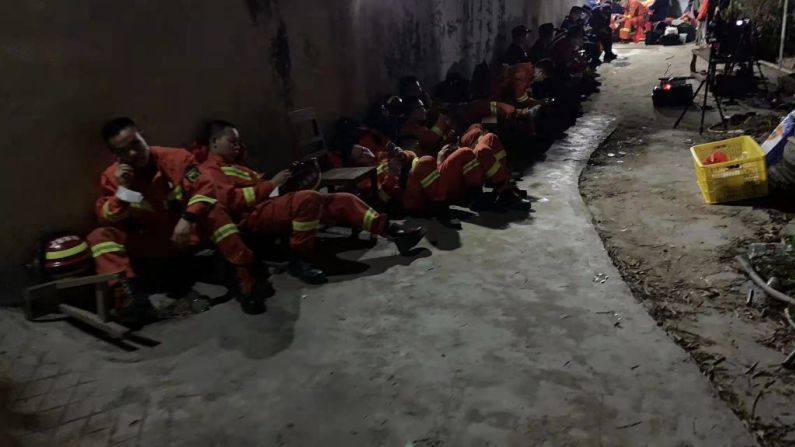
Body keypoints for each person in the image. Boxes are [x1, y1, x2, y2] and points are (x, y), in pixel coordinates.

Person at [87, 117, 270, 323]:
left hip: (186, 236)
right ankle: (129, 300)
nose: (132, 153)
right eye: (123, 151)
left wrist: (188, 217)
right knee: (99, 237)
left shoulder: (176, 159)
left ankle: (246, 278)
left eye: (135, 144)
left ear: (142, 136)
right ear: (115, 155)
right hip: (152, 245)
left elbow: (206, 188)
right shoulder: (113, 177)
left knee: (213, 211)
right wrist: (124, 191)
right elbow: (107, 216)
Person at [197, 120, 425, 284]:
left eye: (239, 142)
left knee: (344, 200)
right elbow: (232, 201)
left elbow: (259, 188)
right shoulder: (210, 172)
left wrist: (283, 183)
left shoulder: (235, 166)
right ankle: (301, 259)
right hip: (252, 215)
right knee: (308, 199)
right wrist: (270, 185)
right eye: (232, 141)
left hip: (270, 202)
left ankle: (393, 232)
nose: (237, 146)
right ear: (214, 141)